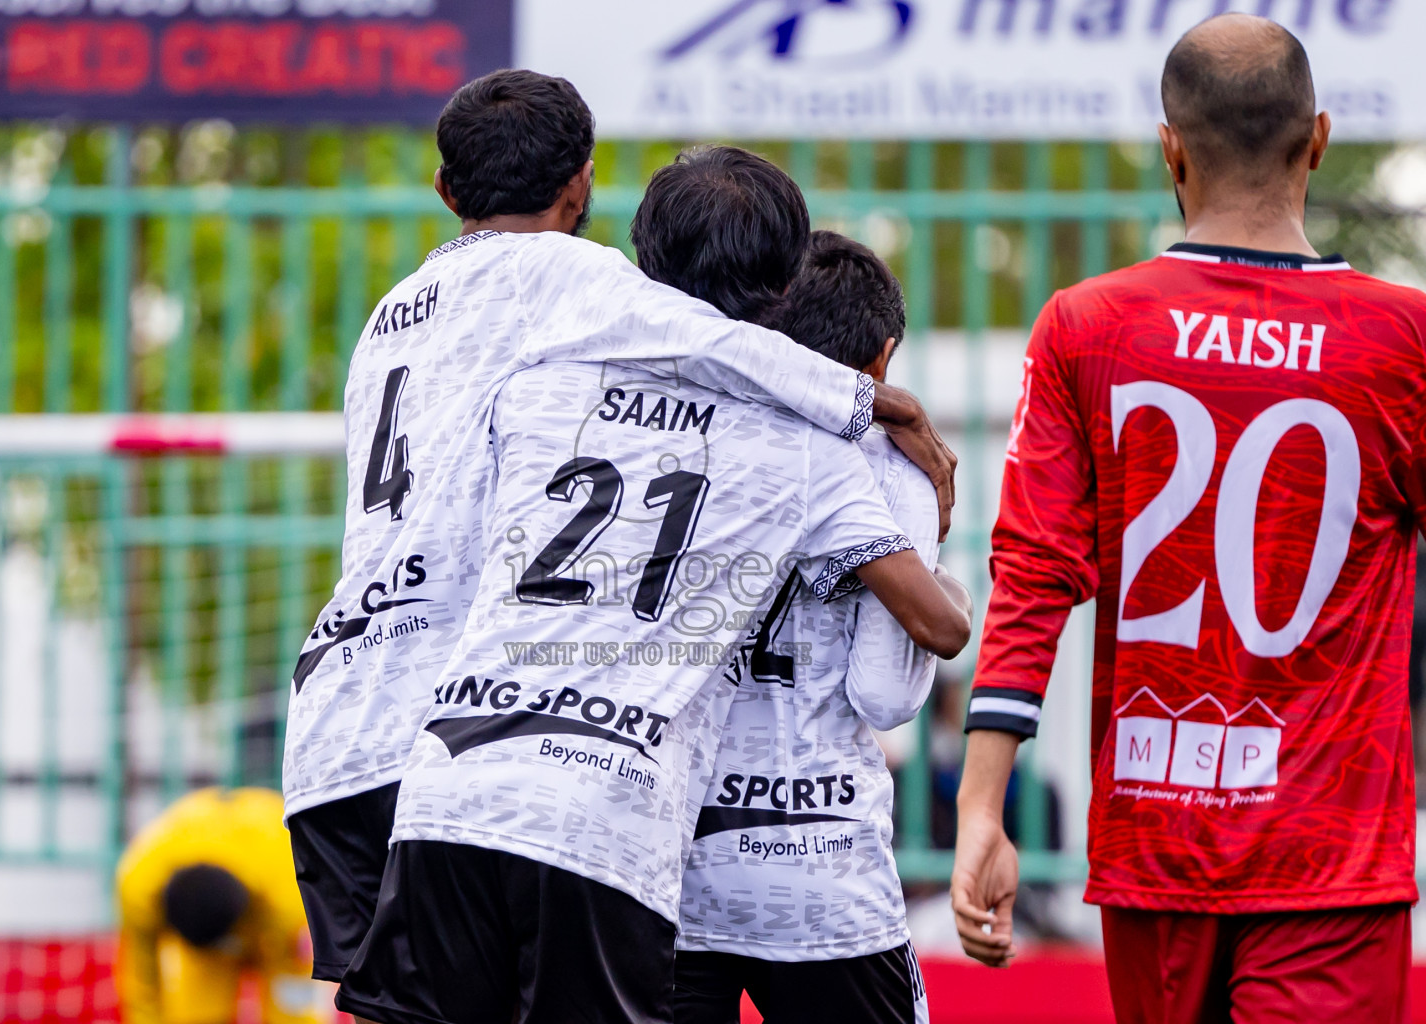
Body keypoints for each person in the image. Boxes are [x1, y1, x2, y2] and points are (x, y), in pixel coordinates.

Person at [281, 69, 956, 987]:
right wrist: (883, 404)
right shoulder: (577, 284)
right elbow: (721, 346)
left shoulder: (390, 319)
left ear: (444, 191)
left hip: (341, 716)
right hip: (474, 727)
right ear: (583, 184)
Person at [950, 13, 1426, 1023]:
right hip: (1330, 857)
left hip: (1156, 842)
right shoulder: (1402, 340)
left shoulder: (1088, 324)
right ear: (1320, 139)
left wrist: (981, 806)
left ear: (1172, 147)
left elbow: (1033, 574)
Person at [673, 231, 956, 1024]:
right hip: (819, 869)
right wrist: (943, 568)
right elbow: (886, 696)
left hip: (680, 865)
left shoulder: (691, 440)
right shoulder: (886, 462)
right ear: (883, 356)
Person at [115, 788, 326, 1024]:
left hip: (275, 922)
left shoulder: (291, 886)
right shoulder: (140, 883)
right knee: (199, 1016)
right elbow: (143, 983)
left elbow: (296, 964)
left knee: (293, 1013)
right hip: (211, 927)